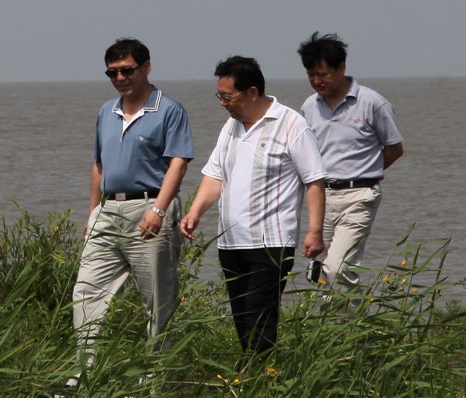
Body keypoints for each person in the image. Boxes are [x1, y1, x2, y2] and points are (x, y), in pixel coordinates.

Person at [180, 56, 327, 357]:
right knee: (242, 320)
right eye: (219, 96)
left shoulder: (291, 124)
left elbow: (314, 180)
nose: (223, 103)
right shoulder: (230, 127)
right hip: (231, 244)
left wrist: (315, 231)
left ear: (252, 92)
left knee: (261, 321)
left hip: (270, 244)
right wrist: (194, 213)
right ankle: (253, 373)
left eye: (228, 96)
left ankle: (259, 374)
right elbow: (215, 175)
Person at [69, 38, 193, 384]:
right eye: (112, 73)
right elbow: (98, 165)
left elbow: (179, 163)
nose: (120, 78)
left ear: (146, 67)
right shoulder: (106, 111)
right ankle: (85, 373)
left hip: (149, 209)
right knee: (86, 292)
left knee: (158, 300)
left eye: (127, 70)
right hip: (108, 212)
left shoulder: (169, 110)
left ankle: (156, 378)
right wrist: (92, 212)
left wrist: (159, 209)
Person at [297, 32, 404, 311]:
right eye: (311, 75)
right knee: (321, 271)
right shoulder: (309, 106)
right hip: (322, 197)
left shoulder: (372, 103)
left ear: (341, 67)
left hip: (360, 195)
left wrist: (365, 171)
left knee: (339, 267)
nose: (317, 81)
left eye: (322, 74)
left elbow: (394, 148)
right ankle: (335, 330)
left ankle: (353, 328)